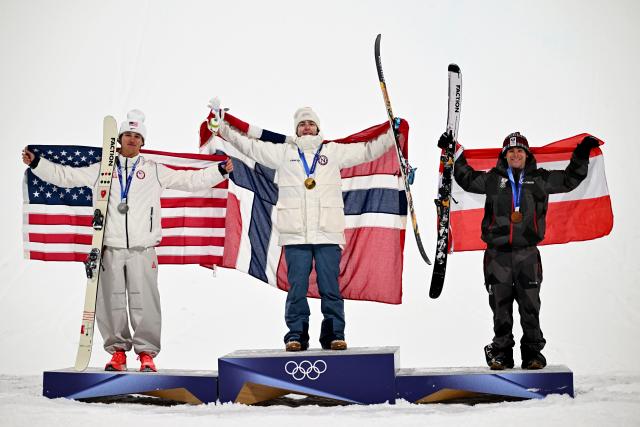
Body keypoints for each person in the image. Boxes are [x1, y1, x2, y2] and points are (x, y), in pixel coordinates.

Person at [22, 109, 233, 372]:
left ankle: (147, 354)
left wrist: (219, 171)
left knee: (145, 302)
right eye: (127, 135)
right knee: (111, 302)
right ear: (119, 139)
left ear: (143, 142)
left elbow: (189, 180)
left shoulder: (154, 170)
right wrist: (37, 163)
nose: (132, 139)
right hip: (110, 248)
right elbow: (67, 177)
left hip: (142, 249)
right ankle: (118, 353)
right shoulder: (102, 169)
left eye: (137, 136)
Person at [210, 103, 395, 351]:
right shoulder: (284, 153)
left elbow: (368, 151)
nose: (307, 127)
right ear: (296, 130)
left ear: (318, 127)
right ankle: (296, 334)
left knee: (331, 286)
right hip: (295, 233)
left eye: (310, 123)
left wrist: (392, 134)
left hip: (327, 231)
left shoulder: (334, 151)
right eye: (302, 124)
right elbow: (249, 146)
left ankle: (334, 334)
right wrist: (221, 126)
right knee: (297, 287)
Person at [439, 130, 599, 370]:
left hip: (527, 254)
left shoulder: (540, 179)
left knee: (530, 306)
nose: (515, 154)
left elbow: (568, 180)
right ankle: (501, 354)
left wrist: (582, 153)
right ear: (504, 156)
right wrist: (452, 153)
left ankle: (533, 354)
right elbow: (467, 179)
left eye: (519, 151)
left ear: (527, 154)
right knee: (500, 309)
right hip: (497, 255)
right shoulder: (494, 179)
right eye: (511, 151)